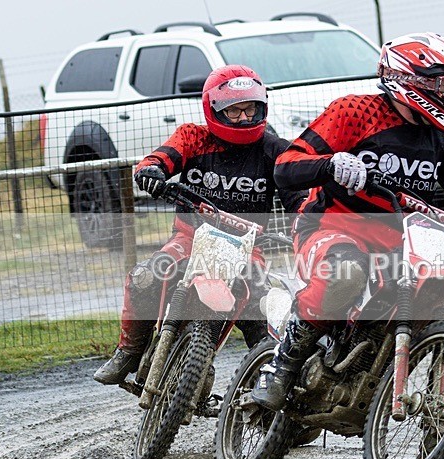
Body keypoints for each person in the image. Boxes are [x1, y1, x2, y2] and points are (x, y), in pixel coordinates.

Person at [250, 33, 444, 459]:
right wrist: (331, 164)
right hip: (333, 226)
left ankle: (442, 439)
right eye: (443, 83)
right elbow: (285, 167)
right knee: (344, 274)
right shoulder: (354, 111)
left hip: (405, 238)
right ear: (407, 80)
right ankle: (281, 368)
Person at [94, 64, 305, 386]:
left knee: (263, 305)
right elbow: (160, 158)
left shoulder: (276, 150)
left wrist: (308, 224)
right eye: (234, 111)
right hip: (190, 237)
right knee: (146, 276)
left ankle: (262, 387)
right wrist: (151, 172)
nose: (244, 118)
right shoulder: (193, 136)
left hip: (248, 248)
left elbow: (300, 200)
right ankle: (128, 351)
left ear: (263, 106)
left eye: (251, 109)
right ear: (214, 109)